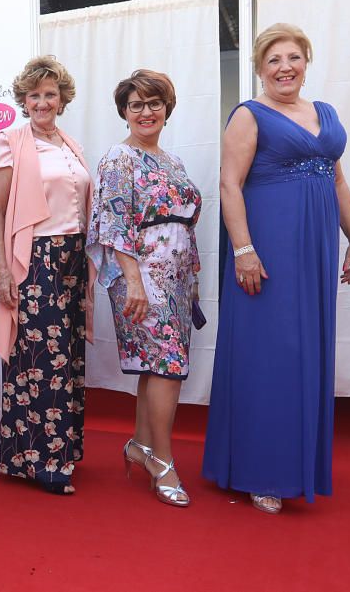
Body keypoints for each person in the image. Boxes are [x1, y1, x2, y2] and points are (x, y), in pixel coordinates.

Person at [202, 24, 350, 514]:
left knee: (305, 351)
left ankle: (297, 463)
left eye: (293, 57)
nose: (285, 67)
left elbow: (336, 179)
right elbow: (230, 185)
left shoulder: (326, 114)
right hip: (266, 249)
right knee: (269, 353)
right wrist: (244, 249)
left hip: (313, 250)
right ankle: (260, 470)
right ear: (258, 67)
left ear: (306, 62)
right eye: (273, 60)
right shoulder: (249, 116)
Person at [86, 69, 202, 508]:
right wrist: (133, 281)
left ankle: (138, 444)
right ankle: (164, 460)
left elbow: (185, 224)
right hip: (140, 275)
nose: (146, 112)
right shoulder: (118, 158)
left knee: (157, 366)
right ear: (124, 112)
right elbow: (113, 224)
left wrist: (190, 282)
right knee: (168, 365)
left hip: (174, 277)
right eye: (136, 105)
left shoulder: (173, 162)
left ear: (167, 109)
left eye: (154, 103)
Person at [0, 56, 93, 495]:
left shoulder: (70, 144)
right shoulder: (9, 140)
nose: (42, 102)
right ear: (23, 100)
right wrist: (0, 269)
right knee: (40, 359)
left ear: (62, 99)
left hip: (73, 258)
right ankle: (40, 460)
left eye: (50, 94)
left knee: (67, 357)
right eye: (34, 95)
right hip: (36, 258)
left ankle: (57, 452)